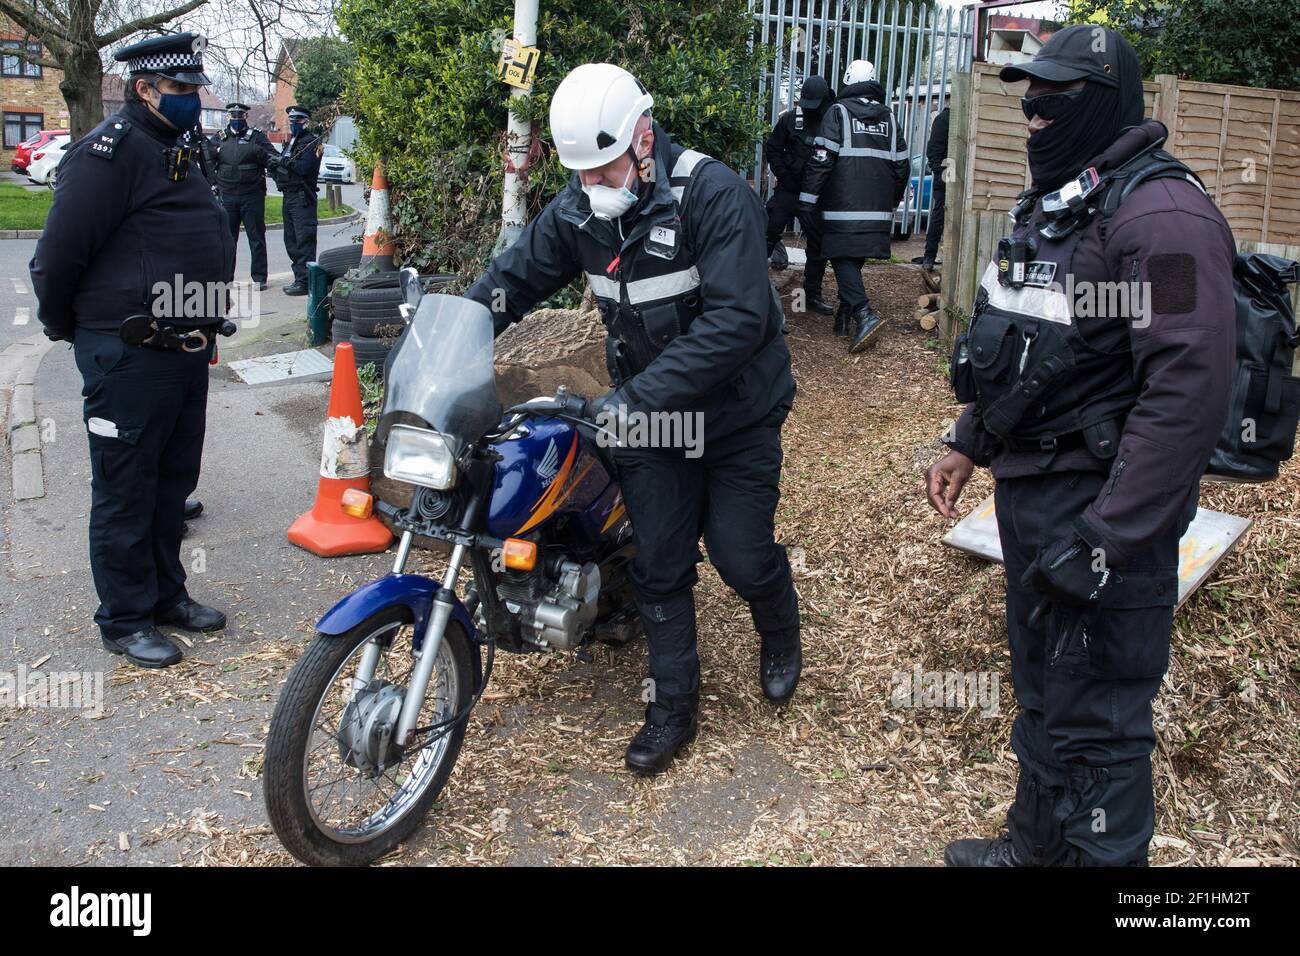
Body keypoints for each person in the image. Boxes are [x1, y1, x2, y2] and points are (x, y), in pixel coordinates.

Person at [924, 25, 1236, 866]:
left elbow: (1188, 390)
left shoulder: (1162, 220)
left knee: (1100, 725)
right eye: (1029, 97)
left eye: (1053, 99)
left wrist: (1108, 538)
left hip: (1105, 515)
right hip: (1035, 495)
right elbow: (1023, 348)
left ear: (1099, 104)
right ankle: (1033, 853)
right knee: (1046, 698)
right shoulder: (1062, 204)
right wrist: (968, 441)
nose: (1031, 112)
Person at [466, 63, 800, 776]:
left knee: (741, 555)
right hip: (650, 422)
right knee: (660, 563)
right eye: (579, 174)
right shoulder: (584, 206)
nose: (591, 187)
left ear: (644, 138)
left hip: (734, 416)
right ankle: (672, 708)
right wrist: (456, 327)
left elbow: (740, 321)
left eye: (604, 168)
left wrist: (633, 402)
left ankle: (779, 626)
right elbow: (514, 278)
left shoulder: (715, 196)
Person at [29, 32, 234, 669]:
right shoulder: (107, 155)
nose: (193, 102)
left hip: (181, 349)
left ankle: (166, 595)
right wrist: (75, 332)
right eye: (181, 91)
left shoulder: (171, 147)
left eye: (196, 91)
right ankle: (123, 618)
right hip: (129, 351)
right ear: (144, 90)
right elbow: (57, 259)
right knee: (126, 489)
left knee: (172, 482)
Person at [801, 59, 908, 350]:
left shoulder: (838, 112)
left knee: (840, 255)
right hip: (877, 207)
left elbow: (821, 161)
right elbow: (902, 167)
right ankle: (844, 315)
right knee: (854, 255)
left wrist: (807, 200)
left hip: (842, 206)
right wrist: (893, 201)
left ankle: (863, 313)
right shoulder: (890, 117)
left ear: (847, 80)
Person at [764, 74, 832, 316]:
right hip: (789, 191)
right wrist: (786, 176)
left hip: (816, 195)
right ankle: (754, 288)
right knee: (767, 230)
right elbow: (772, 149)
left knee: (818, 243)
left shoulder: (832, 120)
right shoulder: (790, 120)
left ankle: (811, 294)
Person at [212, 102, 277, 291]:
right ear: (228, 117)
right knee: (227, 239)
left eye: (240, 116)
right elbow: (208, 161)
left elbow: (272, 157)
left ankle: (259, 278)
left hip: (252, 195)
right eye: (233, 116)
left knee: (256, 237)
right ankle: (226, 278)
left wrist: (260, 153)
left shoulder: (257, 137)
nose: (237, 119)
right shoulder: (219, 138)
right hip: (228, 196)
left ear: (245, 117)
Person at [273, 105, 322, 295]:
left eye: (298, 121)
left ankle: (305, 281)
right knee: (291, 241)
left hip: (303, 198)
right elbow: (283, 167)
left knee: (304, 241)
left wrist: (285, 162)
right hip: (289, 196)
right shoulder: (291, 143)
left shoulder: (312, 142)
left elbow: (303, 168)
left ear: (306, 122)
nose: (294, 124)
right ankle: (298, 277)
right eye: (292, 121)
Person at [916, 96, 949, 272]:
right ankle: (929, 256)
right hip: (945, 176)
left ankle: (934, 257)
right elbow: (933, 151)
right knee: (939, 215)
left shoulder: (946, 119)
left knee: (940, 216)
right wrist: (940, 172)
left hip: (953, 175)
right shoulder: (944, 119)